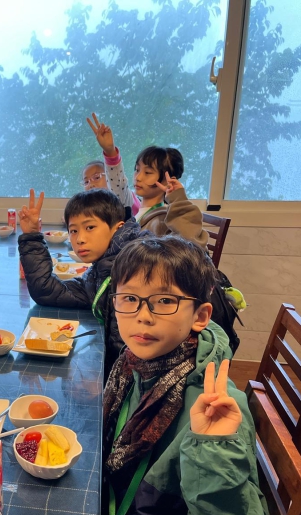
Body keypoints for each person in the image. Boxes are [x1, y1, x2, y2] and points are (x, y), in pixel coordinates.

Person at [103, 236, 268, 515]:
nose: (143, 316)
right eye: (129, 298)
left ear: (200, 316)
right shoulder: (132, 366)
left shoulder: (216, 408)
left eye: (165, 301)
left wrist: (213, 451)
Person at [18, 188, 149, 376]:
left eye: (90, 227)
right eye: (73, 230)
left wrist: (99, 383)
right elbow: (46, 290)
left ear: (118, 228)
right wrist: (31, 236)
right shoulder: (101, 271)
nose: (80, 239)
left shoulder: (134, 271)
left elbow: (128, 353)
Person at [132, 146, 208, 248]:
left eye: (148, 172)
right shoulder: (138, 210)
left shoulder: (163, 222)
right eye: (137, 170)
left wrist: (177, 197)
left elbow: (191, 247)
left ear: (169, 180)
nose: (138, 177)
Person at [85, 113, 141, 218]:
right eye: (86, 182)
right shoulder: (97, 211)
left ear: (108, 175)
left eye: (96, 177)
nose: (90, 185)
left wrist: (110, 151)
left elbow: (117, 182)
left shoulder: (123, 198)